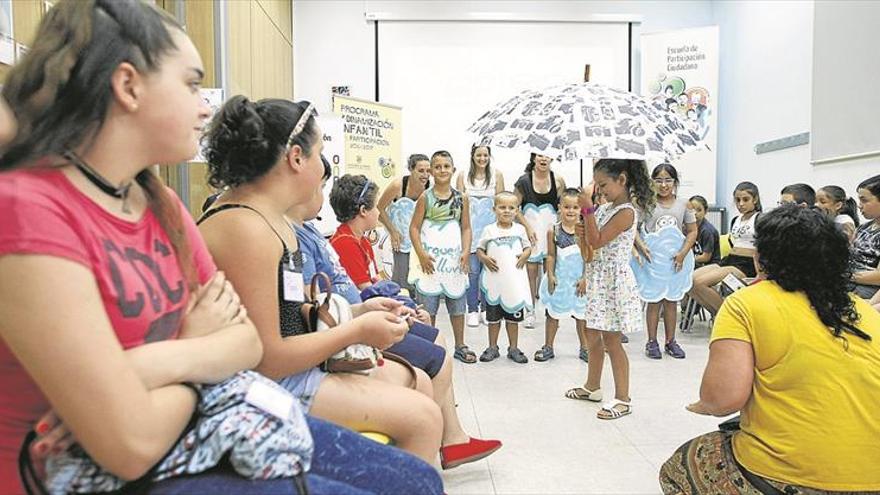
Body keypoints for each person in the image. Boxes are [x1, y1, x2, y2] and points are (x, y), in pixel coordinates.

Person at [0, 2, 442, 494]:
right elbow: (132, 442)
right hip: (98, 472)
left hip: (189, 433)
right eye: (190, 84)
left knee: (416, 481)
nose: (206, 106)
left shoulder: (158, 201)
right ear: (128, 87)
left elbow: (245, 344)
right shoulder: (27, 210)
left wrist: (143, 367)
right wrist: (199, 349)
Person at [198, 95, 444, 465]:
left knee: (419, 383)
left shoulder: (272, 220)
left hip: (289, 369)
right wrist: (356, 331)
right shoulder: (245, 229)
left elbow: (291, 313)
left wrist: (360, 309)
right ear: (296, 158)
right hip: (260, 387)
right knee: (423, 417)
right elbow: (266, 359)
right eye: (319, 153)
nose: (323, 166)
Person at [291, 167, 502, 470]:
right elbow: (323, 302)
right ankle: (438, 438)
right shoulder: (341, 242)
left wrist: (391, 304)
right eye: (377, 206)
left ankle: (449, 436)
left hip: (361, 316)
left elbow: (360, 289)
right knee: (438, 359)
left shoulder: (328, 235)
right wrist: (375, 313)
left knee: (437, 341)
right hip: (349, 332)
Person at [660, 205, 880, 494]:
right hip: (872, 476)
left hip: (790, 477)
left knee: (678, 467)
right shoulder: (862, 311)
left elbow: (722, 400)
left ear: (761, 256)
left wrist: (705, 404)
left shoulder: (746, 304)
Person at [565, 159, 654, 420]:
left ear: (622, 180)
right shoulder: (604, 208)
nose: (600, 190)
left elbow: (599, 239)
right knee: (592, 334)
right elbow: (590, 251)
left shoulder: (626, 212)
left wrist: (588, 211)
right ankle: (592, 386)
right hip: (597, 279)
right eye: (597, 185)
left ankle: (623, 399)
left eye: (604, 184)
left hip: (614, 283)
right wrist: (582, 232)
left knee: (612, 342)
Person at [410, 151, 474, 363]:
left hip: (454, 261)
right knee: (428, 305)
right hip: (431, 261)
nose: (442, 170)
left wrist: (466, 252)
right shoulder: (425, 198)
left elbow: (466, 228)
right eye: (437, 167)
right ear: (430, 171)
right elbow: (414, 228)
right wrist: (421, 255)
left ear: (453, 169)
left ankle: (460, 345)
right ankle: (429, 345)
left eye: (446, 166)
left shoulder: (461, 198)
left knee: (457, 304)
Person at [635, 164, 697, 360]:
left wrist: (683, 253)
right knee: (654, 301)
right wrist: (641, 246)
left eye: (668, 180)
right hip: (652, 260)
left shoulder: (684, 204)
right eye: (659, 180)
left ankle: (671, 341)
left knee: (671, 301)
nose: (663, 185)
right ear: (652, 182)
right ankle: (651, 342)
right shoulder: (646, 204)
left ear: (675, 182)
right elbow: (632, 228)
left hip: (675, 261)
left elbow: (692, 230)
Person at [475, 191, 533, 363]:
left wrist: (525, 255)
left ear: (517, 210)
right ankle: (492, 347)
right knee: (493, 319)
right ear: (494, 209)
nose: (506, 211)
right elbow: (479, 249)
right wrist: (484, 258)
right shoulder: (489, 230)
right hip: (495, 284)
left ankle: (513, 348)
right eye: (502, 207)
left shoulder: (520, 230)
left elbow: (528, 247)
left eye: (511, 208)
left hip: (513, 285)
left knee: (512, 319)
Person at [688, 182, 763, 315]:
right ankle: (717, 314)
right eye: (737, 200)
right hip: (730, 260)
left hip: (747, 264)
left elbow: (764, 246)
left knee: (699, 283)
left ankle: (729, 316)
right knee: (687, 282)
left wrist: (760, 272)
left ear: (755, 199)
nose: (741, 204)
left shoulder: (760, 219)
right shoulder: (736, 219)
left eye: (745, 200)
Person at [535, 188, 591, 362]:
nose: (571, 211)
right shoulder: (554, 231)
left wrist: (585, 278)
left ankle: (585, 348)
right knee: (552, 314)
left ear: (581, 209)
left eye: (575, 207)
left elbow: (588, 257)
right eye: (567, 207)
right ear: (559, 207)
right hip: (560, 279)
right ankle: (548, 346)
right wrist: (550, 275)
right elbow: (551, 255)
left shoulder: (584, 230)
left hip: (578, 281)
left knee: (581, 316)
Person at [514, 153, 566, 329]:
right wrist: (527, 227)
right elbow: (515, 208)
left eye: (548, 156)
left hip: (550, 233)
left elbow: (563, 207)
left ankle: (551, 310)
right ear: (534, 158)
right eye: (540, 156)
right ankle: (529, 310)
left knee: (551, 272)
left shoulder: (558, 180)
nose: (544, 159)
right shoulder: (523, 181)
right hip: (532, 232)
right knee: (531, 273)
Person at [456, 145, 505, 328]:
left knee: (487, 272)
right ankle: (472, 310)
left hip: (490, 233)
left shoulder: (497, 175)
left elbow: (502, 205)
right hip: (470, 232)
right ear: (473, 156)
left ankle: (486, 309)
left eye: (485, 155)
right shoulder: (462, 176)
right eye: (479, 155)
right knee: (472, 273)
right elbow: (458, 206)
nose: (482, 158)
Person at [377, 153, 431, 296]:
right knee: (401, 280)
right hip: (401, 239)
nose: (425, 175)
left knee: (420, 279)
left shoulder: (430, 188)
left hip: (420, 240)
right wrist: (393, 232)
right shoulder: (398, 186)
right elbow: (379, 209)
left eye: (428, 171)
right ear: (410, 169)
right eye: (421, 170)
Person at [329, 175, 385, 290]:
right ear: (363, 210)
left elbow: (376, 279)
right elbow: (367, 290)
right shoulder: (344, 243)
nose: (378, 212)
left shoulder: (363, 241)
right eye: (375, 207)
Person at [852, 174, 880, 299]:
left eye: (864, 200)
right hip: (853, 279)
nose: (859, 205)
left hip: (867, 287)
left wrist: (845, 275)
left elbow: (878, 277)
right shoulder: (863, 228)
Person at [689, 195, 720, 267]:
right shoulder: (688, 227)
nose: (695, 213)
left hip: (709, 266)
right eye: (692, 210)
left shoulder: (707, 231)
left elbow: (706, 257)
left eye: (699, 210)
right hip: (695, 263)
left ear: (705, 211)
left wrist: (685, 259)